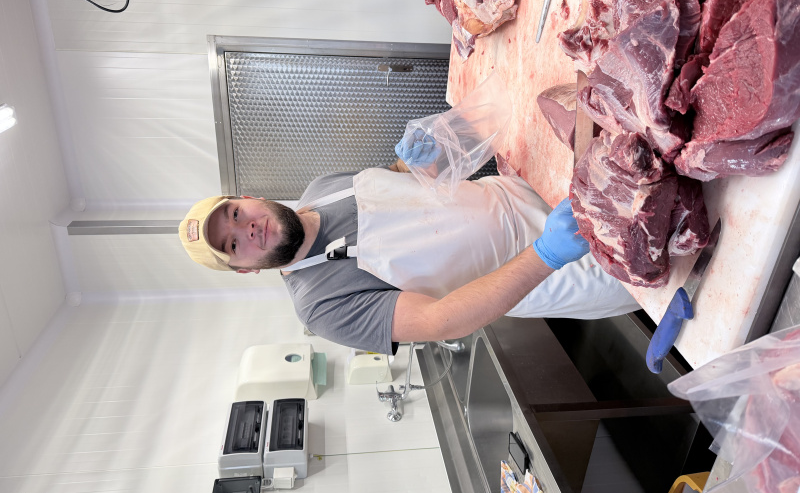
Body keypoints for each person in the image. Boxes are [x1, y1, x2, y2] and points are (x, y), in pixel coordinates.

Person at [179, 132, 639, 354]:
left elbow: (413, 192)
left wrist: (420, 162)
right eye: (233, 246)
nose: (246, 230)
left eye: (235, 215)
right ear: (245, 269)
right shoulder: (319, 307)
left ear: (247, 198)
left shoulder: (321, 188)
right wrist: (547, 255)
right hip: (563, 268)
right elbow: (441, 321)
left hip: (536, 186)